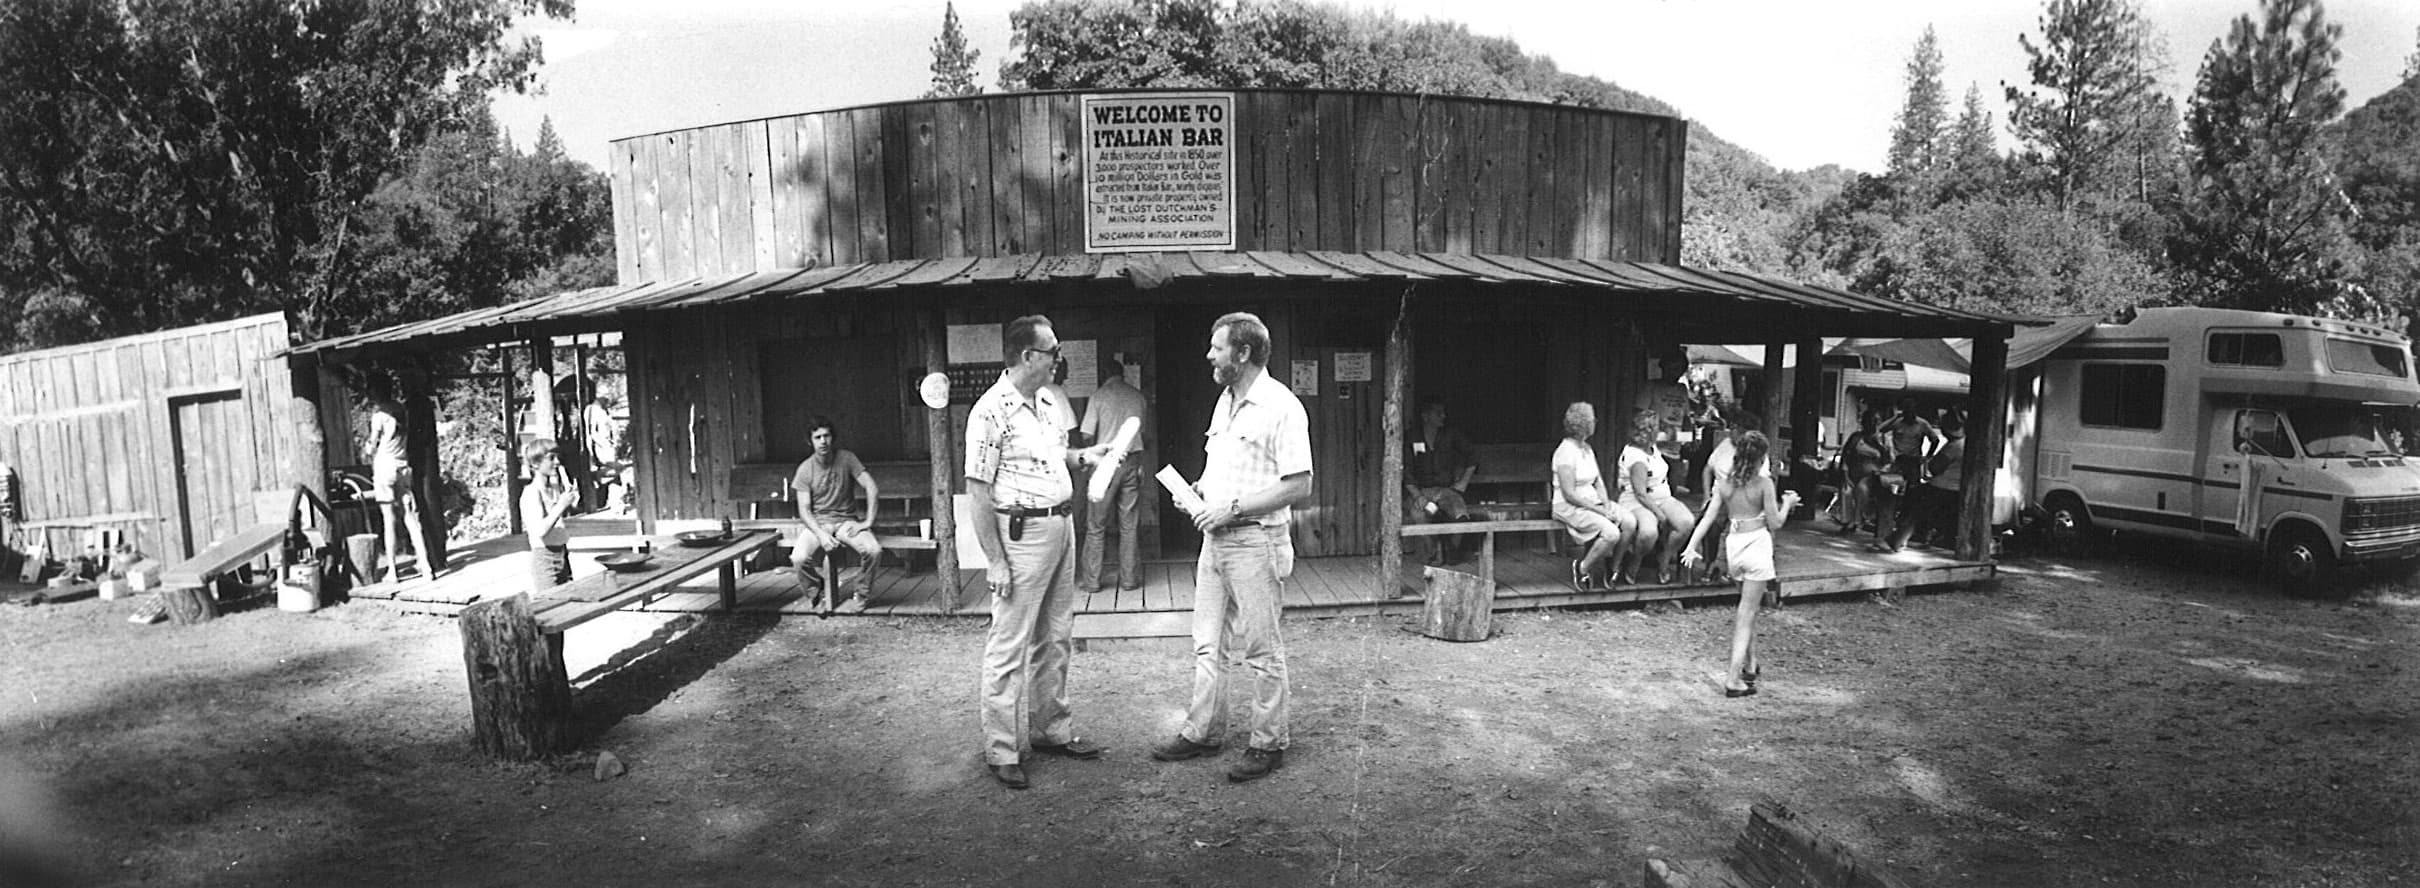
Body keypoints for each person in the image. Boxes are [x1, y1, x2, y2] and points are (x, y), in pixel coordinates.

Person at [1151, 311, 1313, 784]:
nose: (1209, 354)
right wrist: (1201, 491)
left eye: (1216, 347)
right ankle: (1203, 731)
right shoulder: (1224, 401)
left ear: (1242, 354)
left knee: (1262, 649)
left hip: (1255, 541)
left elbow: (1299, 485)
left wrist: (1233, 509)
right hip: (1215, 541)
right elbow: (1225, 467)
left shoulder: (1281, 406)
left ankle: (1268, 743)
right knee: (1207, 644)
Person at [967, 315, 1116, 790]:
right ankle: (1002, 748)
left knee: (1056, 635)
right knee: (1010, 643)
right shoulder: (990, 411)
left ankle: (1052, 730)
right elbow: (977, 491)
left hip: (1061, 525)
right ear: (1027, 356)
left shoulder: (1049, 402)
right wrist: (994, 560)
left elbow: (1056, 456)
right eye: (1052, 351)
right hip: (1021, 535)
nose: (1059, 358)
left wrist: (1084, 458)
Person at [1681, 431, 1799, 698]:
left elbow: (1708, 518)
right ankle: (1733, 679)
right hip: (1756, 545)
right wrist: (1788, 503)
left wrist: (1691, 546)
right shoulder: (1764, 484)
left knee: (1749, 609)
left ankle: (1750, 665)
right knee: (1745, 615)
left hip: (1734, 546)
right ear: (1762, 458)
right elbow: (1776, 522)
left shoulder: (1725, 484)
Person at [789, 416, 885, 613]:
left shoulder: (847, 458)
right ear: (810, 441)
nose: (823, 441)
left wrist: (867, 522)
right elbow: (804, 510)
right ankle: (817, 595)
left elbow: (871, 487)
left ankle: (861, 593)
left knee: (873, 550)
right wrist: (821, 535)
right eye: (817, 437)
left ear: (833, 438)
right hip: (819, 524)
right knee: (798, 558)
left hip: (846, 522)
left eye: (827, 436)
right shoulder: (805, 469)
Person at [1078, 357, 1150, 595]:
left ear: (1103, 374)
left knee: (1096, 525)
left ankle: (1092, 581)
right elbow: (1143, 434)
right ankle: (1129, 579)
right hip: (1132, 460)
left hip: (1106, 464)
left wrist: (1090, 453)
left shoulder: (1098, 396)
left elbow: (1087, 434)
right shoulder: (1136, 396)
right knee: (1129, 524)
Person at [364, 371, 439, 584]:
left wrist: (367, 448)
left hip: (385, 466)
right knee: (410, 517)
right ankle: (425, 566)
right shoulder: (401, 409)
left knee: (389, 519)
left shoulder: (379, 415)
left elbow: (372, 446)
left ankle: (393, 571)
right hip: (403, 465)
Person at [1551, 402, 1632, 591]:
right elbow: (1569, 494)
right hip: (1569, 506)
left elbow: (1598, 481)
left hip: (1593, 502)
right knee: (1612, 533)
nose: (1595, 422)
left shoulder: (1586, 448)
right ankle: (1582, 568)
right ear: (1584, 424)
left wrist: (1606, 504)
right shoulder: (1565, 452)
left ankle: (1613, 567)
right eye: (1592, 419)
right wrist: (1601, 511)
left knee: (1629, 521)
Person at [1622, 408, 1695, 584]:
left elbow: (1682, 437)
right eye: (1656, 427)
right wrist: (1659, 514)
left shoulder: (1652, 447)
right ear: (1648, 431)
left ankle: (1665, 557)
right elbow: (1640, 493)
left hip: (1663, 497)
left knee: (1686, 522)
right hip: (1638, 501)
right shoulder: (1636, 456)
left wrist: (1684, 435)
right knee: (1649, 532)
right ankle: (1636, 560)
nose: (1659, 430)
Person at [1404, 394, 1478, 567]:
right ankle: (1434, 553)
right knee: (1420, 515)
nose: (1443, 416)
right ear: (1425, 416)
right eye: (1438, 413)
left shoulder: (1451, 434)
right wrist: (1416, 496)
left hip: (1446, 491)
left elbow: (1472, 456)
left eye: (1443, 413)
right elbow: (1406, 469)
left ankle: (1452, 549)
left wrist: (1463, 482)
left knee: (1460, 514)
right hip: (1421, 491)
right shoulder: (1412, 436)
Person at [1877, 411, 1965, 553]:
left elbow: (1935, 467)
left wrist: (1929, 461)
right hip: (1955, 488)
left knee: (1914, 512)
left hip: (1941, 486)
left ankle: (1897, 540)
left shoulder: (1953, 447)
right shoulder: (1964, 443)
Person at [519, 439, 577, 592]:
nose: (557, 462)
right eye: (551, 458)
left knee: (568, 605)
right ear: (536, 464)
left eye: (557, 457)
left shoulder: (554, 488)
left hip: (562, 554)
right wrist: (561, 506)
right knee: (552, 607)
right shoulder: (531, 492)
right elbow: (539, 531)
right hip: (545, 558)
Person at [1834, 408, 1888, 535]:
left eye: (1876, 421)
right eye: (1869, 421)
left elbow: (1887, 460)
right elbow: (1846, 455)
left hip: (1871, 476)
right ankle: (1847, 522)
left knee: (1862, 489)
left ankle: (1857, 521)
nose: (1872, 424)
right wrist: (1845, 473)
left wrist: (1878, 445)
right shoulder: (1856, 437)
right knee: (1846, 491)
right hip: (1853, 472)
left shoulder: (1883, 439)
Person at [584, 391, 626, 511]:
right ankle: (611, 501)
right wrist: (603, 444)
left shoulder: (604, 411)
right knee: (613, 470)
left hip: (609, 445)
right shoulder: (591, 410)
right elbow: (591, 431)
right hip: (601, 446)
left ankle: (616, 503)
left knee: (615, 475)